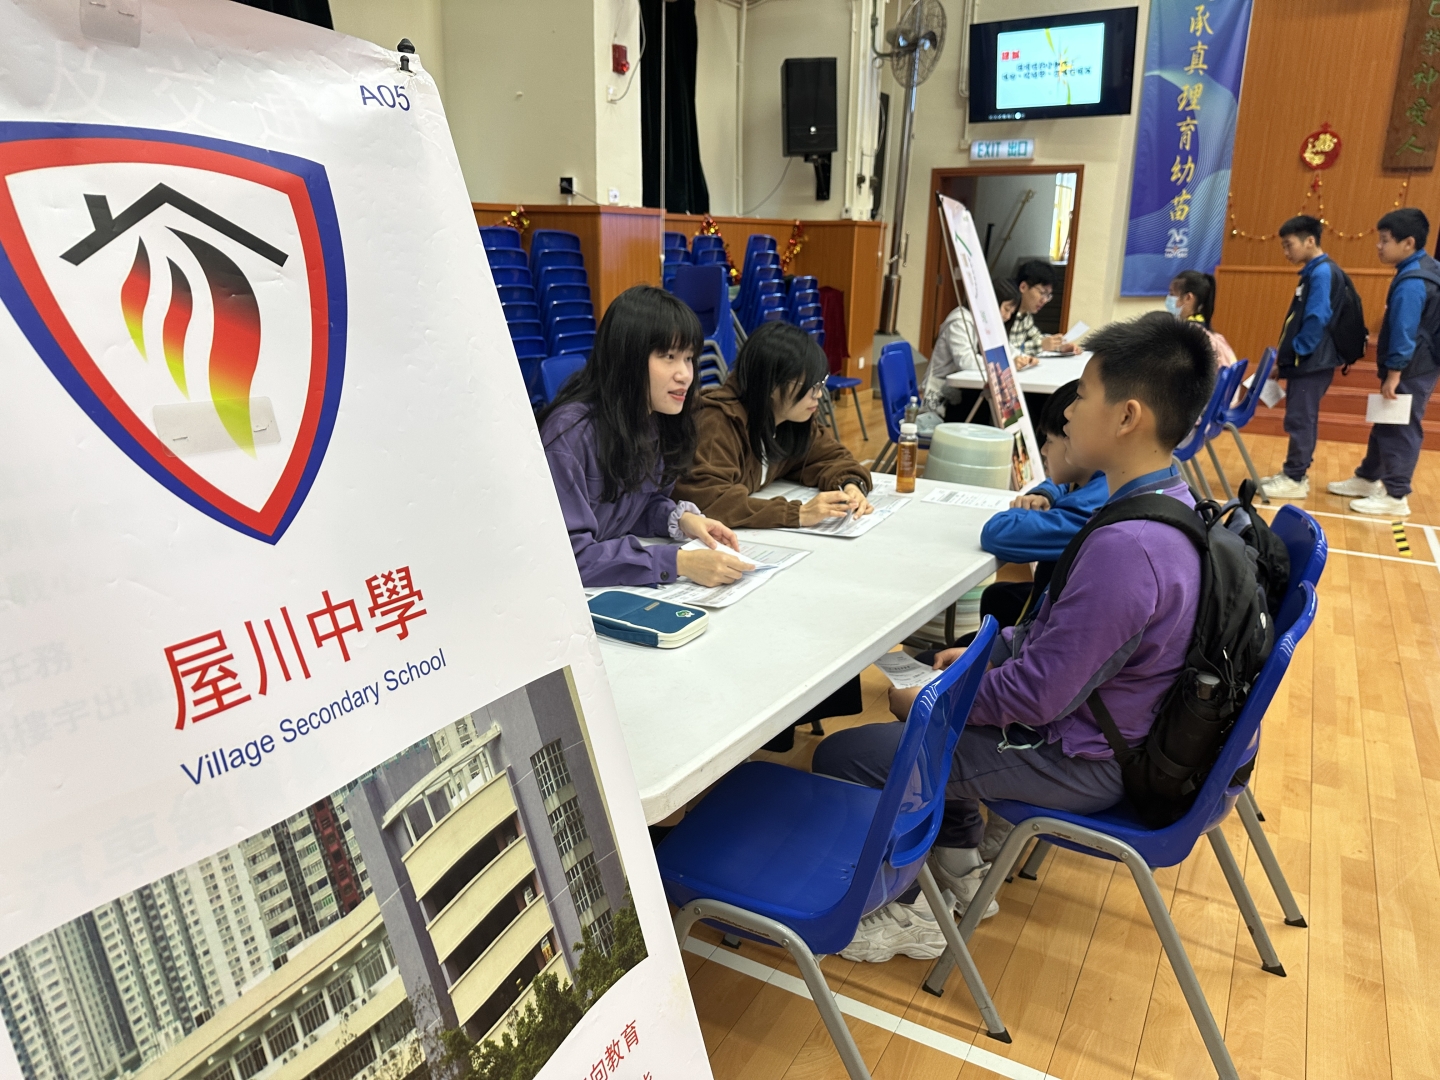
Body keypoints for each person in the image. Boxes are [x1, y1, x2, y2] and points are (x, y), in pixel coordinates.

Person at [816, 312, 1213, 962]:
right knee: (935, 707)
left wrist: (938, 698)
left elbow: (1037, 696)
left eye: (1084, 396)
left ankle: (905, 908)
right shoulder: (1167, 503)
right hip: (1117, 731)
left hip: (1088, 759)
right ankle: (958, 865)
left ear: (1127, 417)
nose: (1070, 411)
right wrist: (983, 656)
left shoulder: (1128, 549)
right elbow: (1057, 645)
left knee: (848, 756)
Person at [539, 285, 752, 587]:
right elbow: (569, 557)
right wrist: (678, 562)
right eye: (669, 356)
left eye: (689, 358)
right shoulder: (570, 434)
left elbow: (629, 508)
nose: (685, 374)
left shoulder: (657, 420)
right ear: (628, 357)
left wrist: (682, 520)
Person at [675, 320, 874, 529]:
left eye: (821, 383)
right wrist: (798, 513)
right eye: (811, 386)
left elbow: (831, 457)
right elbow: (707, 500)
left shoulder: (790, 420)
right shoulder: (717, 422)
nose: (818, 394)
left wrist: (851, 485)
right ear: (771, 384)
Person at [1328, 207, 1440, 517]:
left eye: (1385, 240)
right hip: (1420, 363)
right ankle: (1367, 477)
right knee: (1387, 422)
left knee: (1401, 428)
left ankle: (1396, 494)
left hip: (1412, 367)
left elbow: (1404, 331)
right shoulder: (1428, 267)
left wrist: (1394, 374)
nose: (1379, 246)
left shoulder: (1413, 281)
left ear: (1409, 243)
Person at [1259, 215, 1340, 500]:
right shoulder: (1313, 272)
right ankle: (1294, 472)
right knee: (1301, 417)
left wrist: (1295, 355)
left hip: (1311, 363)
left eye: (1288, 244)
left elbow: (1316, 318)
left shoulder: (1321, 274)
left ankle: (1295, 478)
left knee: (1301, 419)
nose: (1286, 252)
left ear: (1310, 241)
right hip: (1307, 362)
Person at [920, 277, 1025, 429]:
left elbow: (1005, 348)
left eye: (1011, 312)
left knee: (989, 401)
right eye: (1006, 309)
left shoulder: (986, 324)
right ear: (991, 303)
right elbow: (966, 361)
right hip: (942, 396)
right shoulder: (960, 321)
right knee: (986, 403)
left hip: (963, 392)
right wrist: (1006, 363)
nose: (1007, 316)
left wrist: (1020, 358)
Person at [1008, 260, 1080, 358]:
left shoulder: (1026, 315)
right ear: (1023, 287)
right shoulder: (1006, 314)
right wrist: (1041, 345)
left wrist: (1059, 346)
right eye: (1042, 293)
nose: (1044, 300)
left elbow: (1036, 337)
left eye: (1048, 295)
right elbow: (1009, 350)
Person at [1167, 270, 1238, 367]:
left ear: (1188, 298)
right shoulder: (1215, 336)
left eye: (1172, 294)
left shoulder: (1188, 336)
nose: (1168, 298)